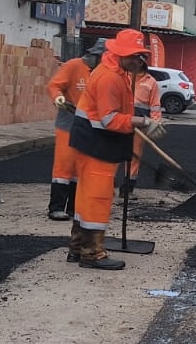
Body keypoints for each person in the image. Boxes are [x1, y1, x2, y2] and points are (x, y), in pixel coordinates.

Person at [66, 29, 166, 270]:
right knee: (97, 198)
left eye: (142, 56)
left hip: (94, 142)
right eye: (136, 56)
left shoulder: (117, 72)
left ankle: (77, 248)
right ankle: (92, 254)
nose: (140, 61)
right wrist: (142, 122)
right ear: (123, 54)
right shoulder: (109, 77)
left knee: (86, 196)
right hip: (96, 144)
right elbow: (109, 120)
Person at [45, 38, 106, 221]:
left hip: (89, 125)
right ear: (96, 56)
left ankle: (74, 207)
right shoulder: (74, 66)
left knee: (80, 169)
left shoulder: (102, 73)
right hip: (68, 122)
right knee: (64, 165)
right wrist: (58, 98)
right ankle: (56, 207)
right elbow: (54, 85)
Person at [120, 54, 162, 199]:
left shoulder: (151, 82)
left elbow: (155, 105)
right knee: (114, 151)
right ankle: (107, 185)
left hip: (141, 122)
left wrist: (155, 122)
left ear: (142, 63)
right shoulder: (124, 76)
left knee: (135, 155)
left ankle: (127, 189)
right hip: (122, 119)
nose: (135, 63)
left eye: (138, 61)